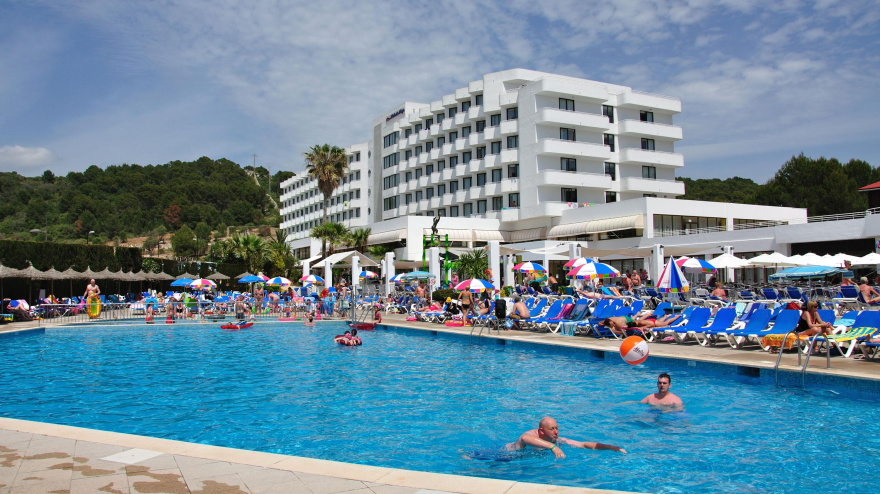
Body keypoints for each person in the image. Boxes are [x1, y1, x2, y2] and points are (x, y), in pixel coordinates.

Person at [505, 416, 626, 458]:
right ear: (541, 431)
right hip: (505, 457)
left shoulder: (557, 439)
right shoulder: (530, 434)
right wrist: (553, 447)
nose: (556, 432)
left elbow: (582, 444)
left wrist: (609, 447)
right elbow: (525, 439)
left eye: (557, 428)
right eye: (552, 429)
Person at [601, 313, 682, 335]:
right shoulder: (637, 322)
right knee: (661, 322)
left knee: (666, 323)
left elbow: (650, 325)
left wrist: (644, 327)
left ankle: (677, 316)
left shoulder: (640, 322)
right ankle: (666, 316)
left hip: (652, 323)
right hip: (653, 322)